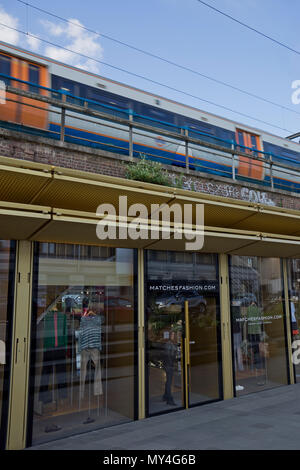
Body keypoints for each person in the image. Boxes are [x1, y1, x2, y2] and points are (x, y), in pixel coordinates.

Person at [162, 331, 178, 406]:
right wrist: (172, 363)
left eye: (174, 335)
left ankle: (165, 396)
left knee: (168, 381)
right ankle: (169, 399)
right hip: (169, 365)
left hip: (168, 364)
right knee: (169, 382)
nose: (174, 337)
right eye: (172, 335)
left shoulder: (171, 343)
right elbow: (168, 355)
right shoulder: (169, 344)